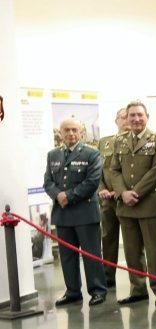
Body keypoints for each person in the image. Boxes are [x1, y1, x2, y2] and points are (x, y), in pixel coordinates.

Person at [108, 101, 156, 307]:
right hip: (126, 205)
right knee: (132, 252)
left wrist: (135, 192)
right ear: (126, 118)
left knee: (155, 251)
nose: (135, 119)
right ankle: (138, 289)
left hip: (149, 203)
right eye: (131, 115)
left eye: (139, 115)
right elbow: (113, 170)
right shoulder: (120, 141)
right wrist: (122, 193)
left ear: (147, 117)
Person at [44, 118, 107, 307]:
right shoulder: (53, 154)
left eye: (74, 130)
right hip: (63, 215)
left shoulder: (92, 153)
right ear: (60, 133)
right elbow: (48, 182)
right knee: (67, 256)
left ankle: (97, 290)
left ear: (81, 133)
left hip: (85, 212)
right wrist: (57, 195)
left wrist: (68, 196)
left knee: (91, 254)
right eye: (67, 130)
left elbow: (92, 181)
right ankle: (72, 291)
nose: (71, 134)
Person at [97, 107, 128, 288]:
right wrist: (101, 188)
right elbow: (98, 170)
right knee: (108, 238)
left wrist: (120, 190)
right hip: (107, 200)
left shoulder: (136, 143)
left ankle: (137, 277)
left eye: (127, 117)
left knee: (133, 242)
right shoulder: (104, 142)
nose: (125, 120)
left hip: (127, 199)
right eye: (122, 117)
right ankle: (108, 276)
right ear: (116, 120)